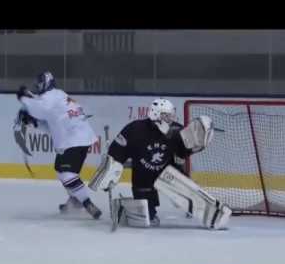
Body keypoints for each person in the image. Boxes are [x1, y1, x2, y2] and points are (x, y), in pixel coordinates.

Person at [89, 98, 230, 229]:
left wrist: (196, 145)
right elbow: (117, 151)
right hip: (142, 177)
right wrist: (111, 169)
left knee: (184, 186)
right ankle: (126, 209)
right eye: (167, 116)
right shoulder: (135, 130)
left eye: (171, 115)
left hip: (168, 172)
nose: (171, 119)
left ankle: (204, 209)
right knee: (147, 219)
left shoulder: (176, 131)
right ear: (156, 115)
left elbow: (184, 151)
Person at [15, 71, 102, 220]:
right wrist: (33, 122)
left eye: (40, 83)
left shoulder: (51, 96)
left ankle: (86, 203)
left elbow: (39, 109)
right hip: (80, 138)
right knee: (66, 172)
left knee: (65, 173)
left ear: (47, 83)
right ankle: (76, 199)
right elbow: (52, 124)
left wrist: (24, 98)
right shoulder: (58, 96)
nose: (37, 86)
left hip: (74, 140)